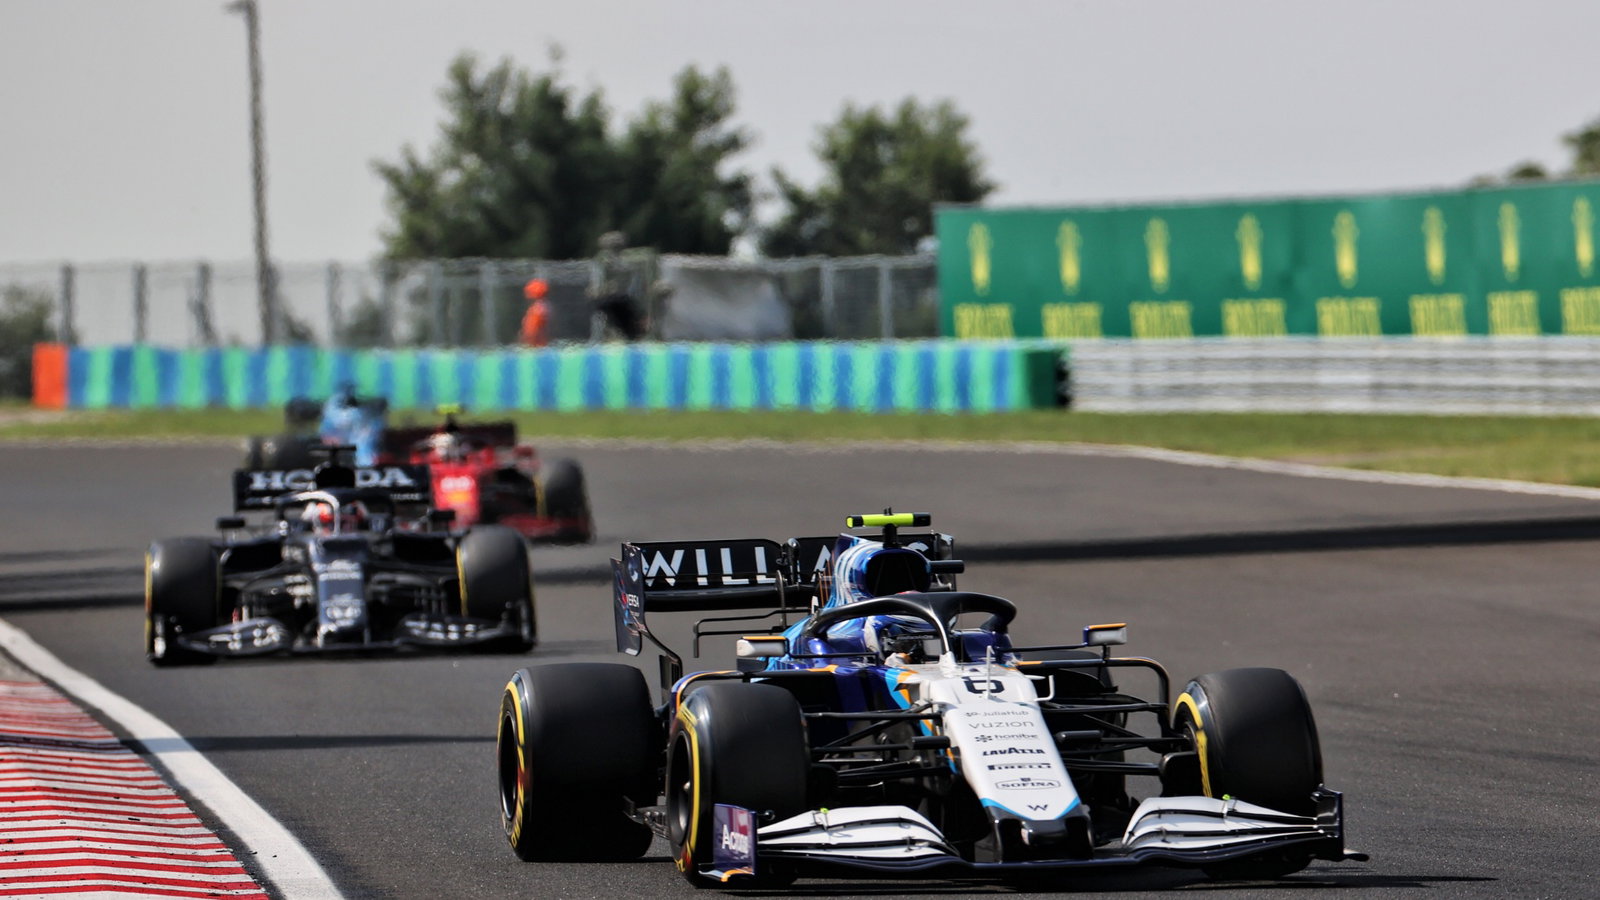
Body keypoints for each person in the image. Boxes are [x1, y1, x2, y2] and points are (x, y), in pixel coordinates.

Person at [590, 231, 644, 340]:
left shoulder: (629, 262)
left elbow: (634, 281)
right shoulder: (602, 261)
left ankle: (628, 335)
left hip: (624, 298)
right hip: (612, 298)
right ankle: (602, 337)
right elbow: (598, 284)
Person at [519, 278, 551, 347]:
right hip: (535, 344)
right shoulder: (539, 307)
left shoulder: (538, 309)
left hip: (536, 345)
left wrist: (527, 338)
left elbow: (534, 330)